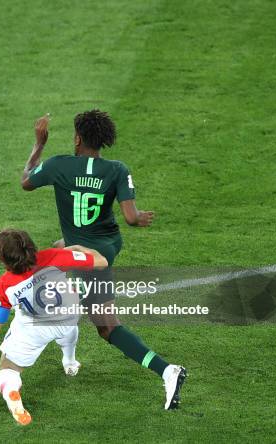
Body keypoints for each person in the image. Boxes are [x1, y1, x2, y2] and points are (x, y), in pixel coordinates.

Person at [20, 110, 186, 410]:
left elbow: (26, 181)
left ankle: (167, 370)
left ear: (77, 138)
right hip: (107, 244)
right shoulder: (117, 169)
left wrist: (39, 144)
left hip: (88, 258)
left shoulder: (59, 165)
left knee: (107, 327)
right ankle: (62, 339)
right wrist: (140, 218)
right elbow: (131, 217)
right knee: (51, 257)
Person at [0, 228, 109, 425]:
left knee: (8, 368)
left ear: (3, 260)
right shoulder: (54, 256)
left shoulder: (3, 287)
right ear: (31, 246)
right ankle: (70, 362)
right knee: (67, 326)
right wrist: (76, 247)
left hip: (34, 330)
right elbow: (101, 261)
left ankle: (12, 394)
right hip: (69, 315)